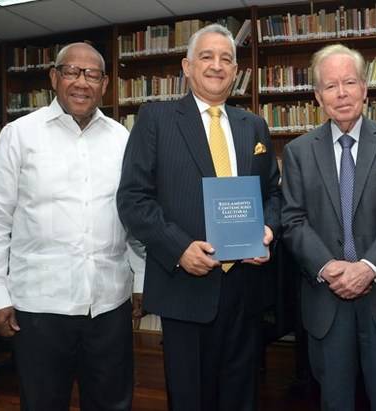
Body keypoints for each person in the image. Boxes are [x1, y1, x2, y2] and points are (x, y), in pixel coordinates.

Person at [0, 42, 145, 411]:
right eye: (71, 72)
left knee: (113, 403)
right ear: (54, 78)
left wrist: (140, 282)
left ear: (105, 83)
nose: (82, 82)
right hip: (40, 309)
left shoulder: (123, 140)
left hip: (109, 305)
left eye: (92, 74)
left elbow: (135, 218)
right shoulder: (19, 135)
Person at [116, 24, 281, 411]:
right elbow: (133, 200)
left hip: (244, 288)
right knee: (191, 397)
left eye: (226, 58)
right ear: (187, 67)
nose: (217, 66)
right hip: (185, 288)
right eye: (207, 56)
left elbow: (272, 192)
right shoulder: (155, 119)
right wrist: (178, 249)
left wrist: (268, 229)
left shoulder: (252, 124)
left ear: (236, 71)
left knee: (241, 395)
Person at [281, 44, 376, 411]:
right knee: (334, 401)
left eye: (349, 82)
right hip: (325, 303)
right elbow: (292, 220)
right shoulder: (298, 152)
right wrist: (328, 268)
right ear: (317, 96)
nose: (341, 93)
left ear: (365, 88)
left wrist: (368, 268)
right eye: (330, 86)